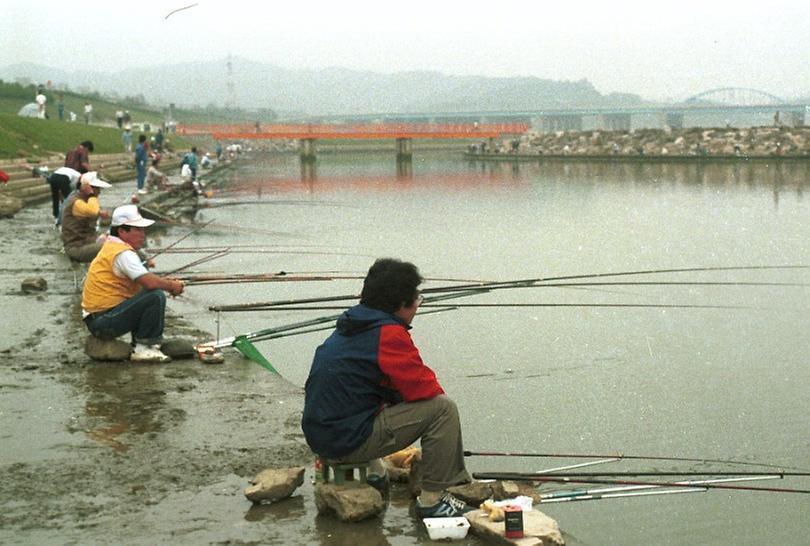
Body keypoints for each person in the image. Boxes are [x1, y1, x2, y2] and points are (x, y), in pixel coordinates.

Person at [301, 258, 474, 518]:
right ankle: (432, 500)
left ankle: (374, 473)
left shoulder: (354, 324)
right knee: (443, 410)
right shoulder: (389, 334)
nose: (417, 306)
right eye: (416, 300)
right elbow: (426, 391)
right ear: (400, 305)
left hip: (323, 437)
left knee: (388, 399)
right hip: (345, 442)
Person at [81, 204, 184, 363]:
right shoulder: (123, 253)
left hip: (98, 319)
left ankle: (143, 344)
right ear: (122, 231)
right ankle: (143, 348)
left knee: (147, 293)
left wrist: (164, 282)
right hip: (102, 321)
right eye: (138, 230)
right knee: (155, 295)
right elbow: (149, 283)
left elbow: (143, 281)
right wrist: (172, 286)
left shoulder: (112, 245)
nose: (143, 235)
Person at [60, 172, 111, 262]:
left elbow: (89, 211)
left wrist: (100, 213)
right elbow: (93, 211)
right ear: (88, 188)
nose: (99, 192)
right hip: (77, 248)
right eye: (97, 188)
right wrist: (91, 195)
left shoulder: (82, 200)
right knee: (111, 246)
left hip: (87, 242)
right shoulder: (76, 202)